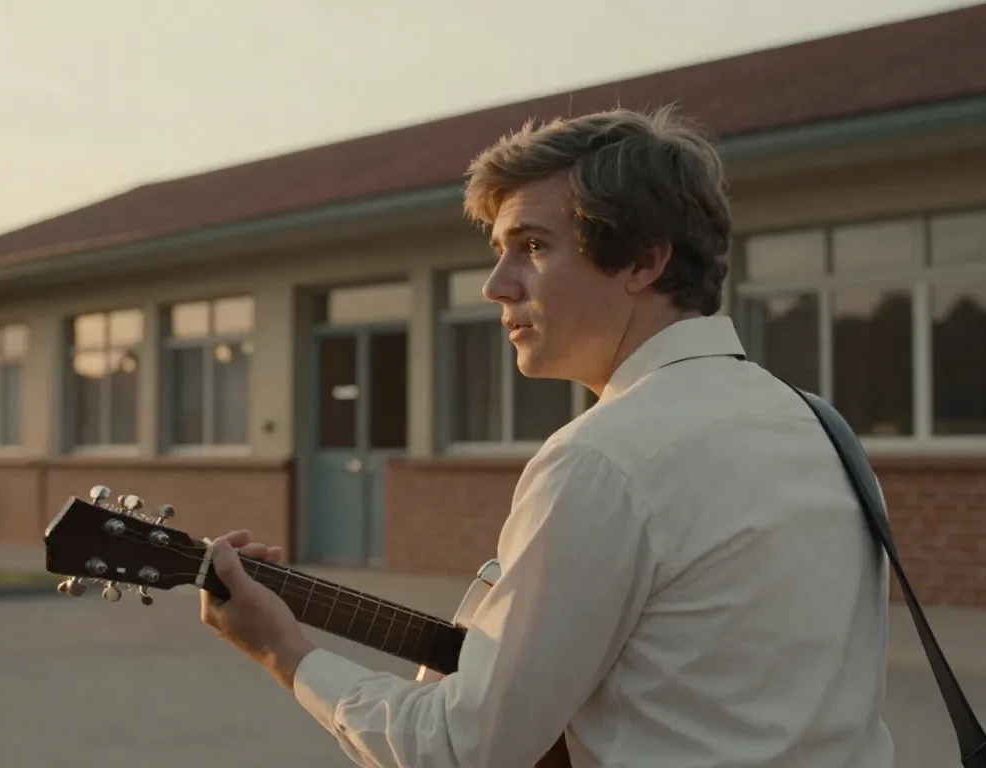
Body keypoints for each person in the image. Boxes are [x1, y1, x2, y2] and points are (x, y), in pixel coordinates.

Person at [198, 106, 895, 767]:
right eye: (499, 251)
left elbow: (463, 750)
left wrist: (286, 653)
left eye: (532, 247)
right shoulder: (820, 427)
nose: (495, 286)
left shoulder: (602, 459)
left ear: (643, 262)